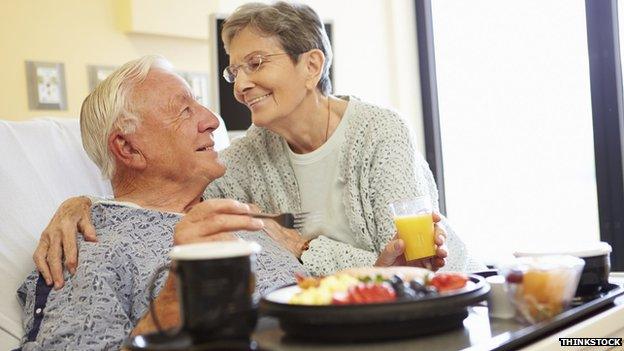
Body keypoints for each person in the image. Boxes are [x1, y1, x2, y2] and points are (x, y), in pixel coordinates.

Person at [34, 1, 482, 287]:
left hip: (450, 284)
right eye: (234, 71)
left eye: (256, 63)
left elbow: (413, 270)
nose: (240, 85)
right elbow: (162, 191)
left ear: (311, 66)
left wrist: (304, 248)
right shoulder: (246, 157)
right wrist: (82, 204)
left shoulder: (380, 134)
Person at [17, 56, 307, 350]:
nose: (212, 121)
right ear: (128, 148)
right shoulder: (90, 250)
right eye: (184, 111)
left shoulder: (238, 212)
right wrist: (170, 304)